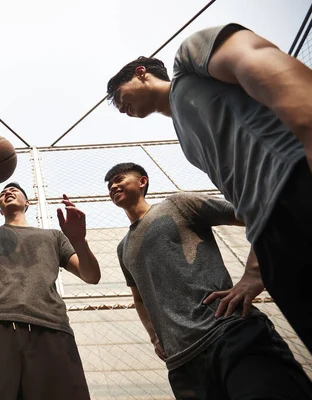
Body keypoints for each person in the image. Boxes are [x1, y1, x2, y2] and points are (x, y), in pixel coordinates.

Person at [106, 24, 312, 353]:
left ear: (141, 73)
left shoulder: (189, 60)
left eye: (119, 97)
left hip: (298, 181)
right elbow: (245, 200)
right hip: (274, 237)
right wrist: (255, 271)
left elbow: (259, 58)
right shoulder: (186, 140)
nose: (121, 107)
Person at [106, 162, 312, 399]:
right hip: (182, 364)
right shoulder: (123, 248)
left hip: (229, 333)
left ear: (142, 181)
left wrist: (254, 275)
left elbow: (258, 214)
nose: (113, 186)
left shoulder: (177, 205)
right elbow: (139, 299)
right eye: (110, 185)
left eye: (119, 179)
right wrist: (154, 335)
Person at [0, 168, 101, 400]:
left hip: (50, 326)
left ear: (28, 203)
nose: (9, 191)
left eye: (15, 190)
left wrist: (78, 240)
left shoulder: (54, 236)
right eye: (3, 191)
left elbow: (91, 276)